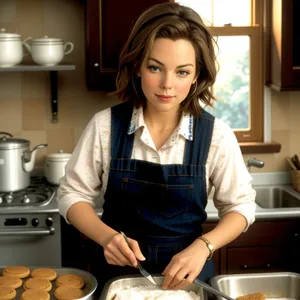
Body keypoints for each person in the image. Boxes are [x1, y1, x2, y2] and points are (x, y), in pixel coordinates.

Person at [57, 2, 255, 293]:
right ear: (137, 66)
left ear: (197, 75)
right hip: (115, 279)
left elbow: (241, 206)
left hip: (190, 281)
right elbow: (71, 194)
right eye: (155, 68)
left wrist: (204, 246)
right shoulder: (104, 126)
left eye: (182, 72)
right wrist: (106, 237)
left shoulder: (216, 136)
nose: (167, 85)